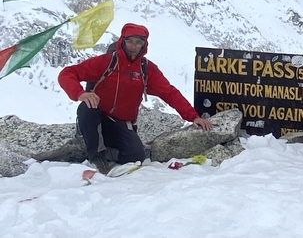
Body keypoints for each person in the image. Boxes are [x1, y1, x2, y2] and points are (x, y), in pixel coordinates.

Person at [58, 23, 211, 174]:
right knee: (87, 108)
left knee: (135, 155)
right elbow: (67, 73)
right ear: (122, 41)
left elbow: (169, 93)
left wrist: (193, 116)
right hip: (98, 117)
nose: (133, 46)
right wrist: (80, 93)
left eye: (138, 42)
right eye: (129, 41)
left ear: (144, 45)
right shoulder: (106, 62)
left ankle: (104, 149)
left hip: (122, 124)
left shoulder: (146, 69)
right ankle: (97, 156)